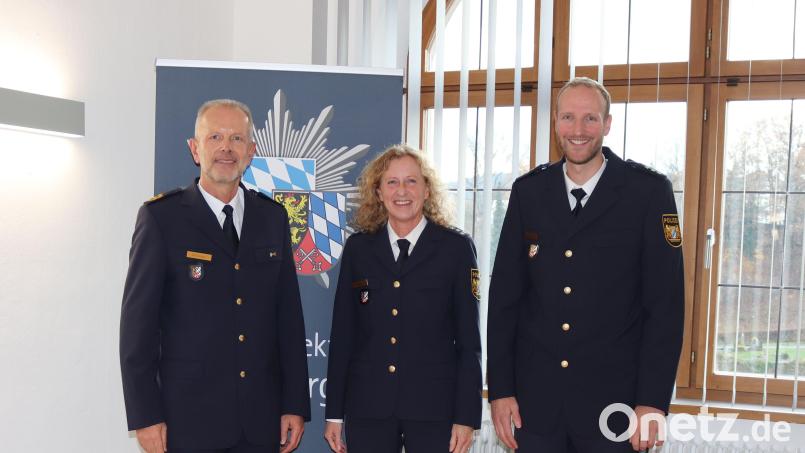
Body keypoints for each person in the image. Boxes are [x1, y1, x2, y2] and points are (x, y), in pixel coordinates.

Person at [487, 77, 684, 452]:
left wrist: (653, 401)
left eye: (590, 119)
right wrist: (501, 389)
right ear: (556, 123)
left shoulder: (647, 192)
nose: (578, 130)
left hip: (616, 407)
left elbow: (665, 307)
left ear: (607, 124)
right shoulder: (529, 192)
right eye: (568, 118)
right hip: (536, 404)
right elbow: (505, 300)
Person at [120, 99, 310, 453]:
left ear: (251, 152)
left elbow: (288, 318)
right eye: (215, 137)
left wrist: (294, 404)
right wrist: (145, 415)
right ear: (195, 149)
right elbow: (138, 329)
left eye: (237, 139)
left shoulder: (272, 218)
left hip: (259, 419)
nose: (226, 148)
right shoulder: (161, 218)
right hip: (188, 421)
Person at [323, 145, 482, 453]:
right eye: (392, 182)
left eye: (411, 181)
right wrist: (334, 414)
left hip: (435, 410)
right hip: (369, 408)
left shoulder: (456, 249)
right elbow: (344, 335)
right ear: (379, 192)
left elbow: (468, 342)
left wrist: (466, 417)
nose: (402, 191)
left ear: (426, 190)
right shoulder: (359, 248)